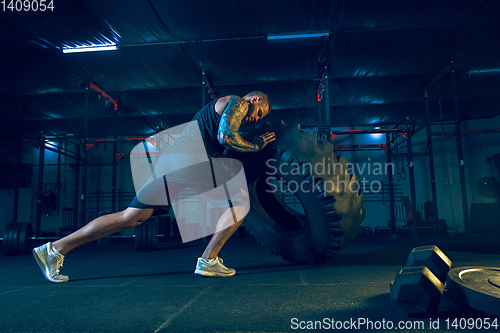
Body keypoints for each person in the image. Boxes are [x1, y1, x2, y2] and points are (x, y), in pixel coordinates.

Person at [33, 91, 275, 282]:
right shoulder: (237, 103)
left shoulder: (220, 112)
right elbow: (226, 138)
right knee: (242, 198)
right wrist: (256, 146)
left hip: (171, 163)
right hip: (188, 161)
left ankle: (54, 249)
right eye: (259, 112)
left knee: (130, 217)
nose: (256, 118)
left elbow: (222, 140)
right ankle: (208, 260)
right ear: (254, 100)